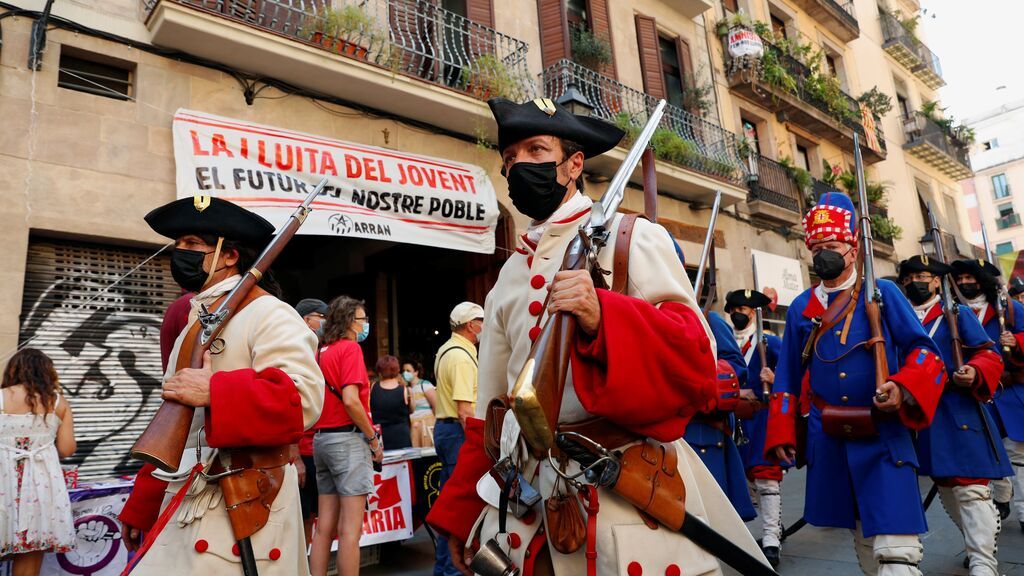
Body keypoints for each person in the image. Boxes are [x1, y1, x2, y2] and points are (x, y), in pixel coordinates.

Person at [426, 97, 766, 575]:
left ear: (574, 165)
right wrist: (462, 512)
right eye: (510, 158)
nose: (520, 165)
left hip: (626, 488)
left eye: (536, 150)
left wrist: (603, 315)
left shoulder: (632, 239)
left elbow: (697, 358)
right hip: (532, 499)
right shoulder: (508, 276)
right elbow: (488, 415)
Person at [117, 197, 324, 575]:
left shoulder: (271, 313)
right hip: (189, 493)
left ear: (229, 255)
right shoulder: (195, 322)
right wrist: (144, 500)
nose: (180, 252)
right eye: (179, 243)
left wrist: (216, 391)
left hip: (247, 498)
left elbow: (303, 398)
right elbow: (178, 418)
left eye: (193, 244)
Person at [765, 192, 946, 576]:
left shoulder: (883, 293)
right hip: (829, 436)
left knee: (897, 548)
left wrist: (902, 386)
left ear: (852, 250)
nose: (823, 255)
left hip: (883, 432)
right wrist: (781, 430)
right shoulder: (800, 308)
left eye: (831, 247)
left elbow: (924, 352)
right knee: (864, 541)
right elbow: (787, 378)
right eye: (817, 248)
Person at [897, 255, 1009, 576]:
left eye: (922, 276)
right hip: (915, 412)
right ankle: (980, 539)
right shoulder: (898, 315)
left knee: (969, 488)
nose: (915, 283)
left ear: (936, 281)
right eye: (909, 279)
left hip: (955, 408)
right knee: (946, 487)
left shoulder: (956, 313)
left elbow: (988, 353)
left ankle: (983, 562)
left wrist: (973, 371)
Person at [310, 296, 382, 576]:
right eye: (363, 319)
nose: (365, 325)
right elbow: (351, 400)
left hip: (322, 440)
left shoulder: (321, 351)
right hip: (347, 441)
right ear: (350, 321)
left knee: (324, 528)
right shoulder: (350, 349)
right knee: (351, 530)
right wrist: (373, 439)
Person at [950, 258, 1024, 532]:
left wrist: (1017, 341)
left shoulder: (1009, 308)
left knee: (1018, 453)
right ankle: (1001, 496)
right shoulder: (953, 312)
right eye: (960, 279)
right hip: (976, 391)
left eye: (970, 278)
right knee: (988, 449)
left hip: (1010, 390)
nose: (965, 283)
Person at [1, 349, 77, 576]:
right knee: (29, 556)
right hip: (38, 488)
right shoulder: (57, 402)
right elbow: (66, 448)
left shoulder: (1, 397)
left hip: (3, 482)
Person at [727, 288, 788, 568]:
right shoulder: (724, 342)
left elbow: (792, 376)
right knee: (745, 480)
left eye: (744, 310)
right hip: (735, 420)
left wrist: (775, 378)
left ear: (754, 314)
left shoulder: (769, 343)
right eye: (735, 310)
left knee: (766, 478)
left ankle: (771, 540)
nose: (738, 314)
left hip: (762, 418)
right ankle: (773, 525)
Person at [683, 310, 757, 523]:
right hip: (658, 436)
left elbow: (736, 368)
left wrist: (698, 379)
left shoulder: (708, 318)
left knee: (713, 519)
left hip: (701, 431)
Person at [431, 302, 482, 576]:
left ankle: (444, 569)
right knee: (459, 509)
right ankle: (451, 571)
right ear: (471, 325)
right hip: (457, 432)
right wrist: (479, 443)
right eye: (482, 320)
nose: (485, 325)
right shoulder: (461, 357)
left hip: (446, 430)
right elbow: (465, 410)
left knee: (449, 506)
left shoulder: (447, 350)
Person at [294, 298, 330, 547]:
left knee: (318, 516)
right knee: (303, 517)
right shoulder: (297, 351)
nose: (326, 322)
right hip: (303, 451)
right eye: (322, 317)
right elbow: (293, 405)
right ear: (307, 320)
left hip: (318, 448)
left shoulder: (319, 351)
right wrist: (295, 457)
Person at [370, 355, 413, 450]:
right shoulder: (404, 390)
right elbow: (412, 410)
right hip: (402, 437)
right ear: (397, 369)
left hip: (380, 437)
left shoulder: (373, 387)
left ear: (379, 370)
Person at [403, 360, 436, 448]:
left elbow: (436, 406)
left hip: (427, 425)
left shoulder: (425, 385)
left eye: (408, 371)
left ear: (416, 372)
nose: (405, 373)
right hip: (413, 427)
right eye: (404, 371)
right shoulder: (405, 389)